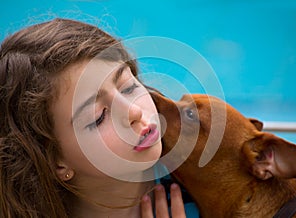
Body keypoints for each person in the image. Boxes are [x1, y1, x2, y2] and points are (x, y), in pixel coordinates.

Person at [0, 18, 194, 217]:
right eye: (98, 117)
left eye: (128, 87)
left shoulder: (207, 182)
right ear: (55, 161)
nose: (134, 112)